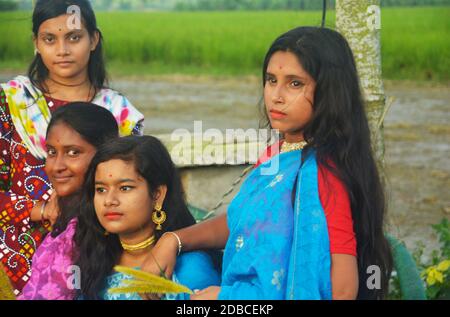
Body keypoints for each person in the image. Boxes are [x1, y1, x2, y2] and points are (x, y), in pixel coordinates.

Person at [142, 26, 393, 300]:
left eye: (295, 83)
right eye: (271, 80)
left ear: (329, 92)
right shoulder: (278, 154)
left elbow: (343, 290)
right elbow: (243, 221)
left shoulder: (324, 173)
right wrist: (173, 240)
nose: (277, 95)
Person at [0, 0, 143, 294]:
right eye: (50, 39)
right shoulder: (12, 103)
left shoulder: (120, 114)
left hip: (90, 256)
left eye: (74, 38)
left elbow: (129, 190)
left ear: (94, 40)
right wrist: (37, 209)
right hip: (10, 254)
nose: (62, 50)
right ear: (36, 44)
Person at [74, 136, 220, 300]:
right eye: (101, 189)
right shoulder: (95, 261)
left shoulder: (189, 268)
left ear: (157, 195)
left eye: (125, 188)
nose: (109, 200)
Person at [18, 102, 119, 300]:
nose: (57, 166)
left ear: (105, 154)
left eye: (73, 152)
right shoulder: (64, 220)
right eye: (52, 152)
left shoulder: (111, 221)